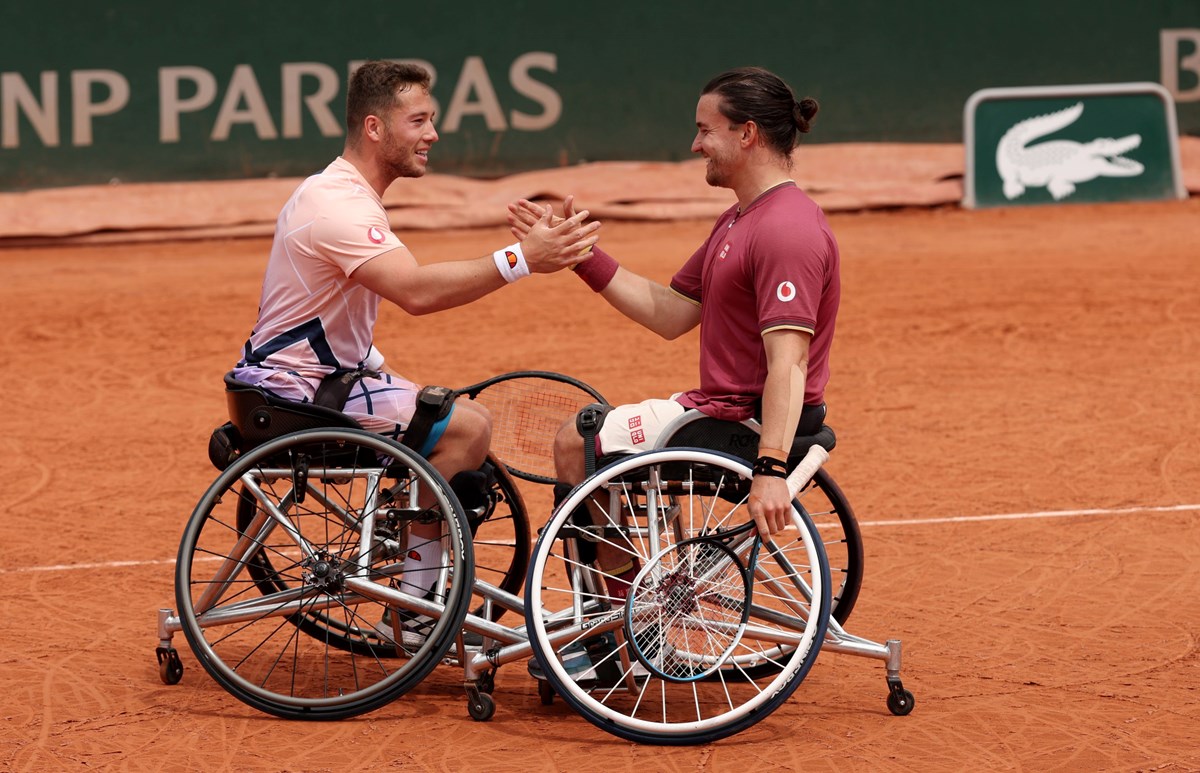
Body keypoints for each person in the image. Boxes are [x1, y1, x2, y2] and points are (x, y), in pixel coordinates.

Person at [232, 60, 600, 647]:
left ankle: (414, 573)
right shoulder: (338, 204)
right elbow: (417, 291)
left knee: (454, 418)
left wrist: (379, 368)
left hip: (311, 379)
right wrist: (522, 259)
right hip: (297, 392)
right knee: (463, 430)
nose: (432, 134)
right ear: (375, 128)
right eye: (420, 121)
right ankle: (414, 604)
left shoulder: (342, 194)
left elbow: (326, 319)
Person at [509, 66, 839, 606]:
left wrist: (772, 469)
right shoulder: (740, 219)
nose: (695, 144)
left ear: (747, 134)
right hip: (722, 411)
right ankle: (622, 603)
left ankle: (616, 615)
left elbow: (789, 364)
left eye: (706, 130)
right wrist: (581, 258)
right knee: (600, 440)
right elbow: (671, 313)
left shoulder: (786, 229)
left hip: (743, 423)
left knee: (577, 439)